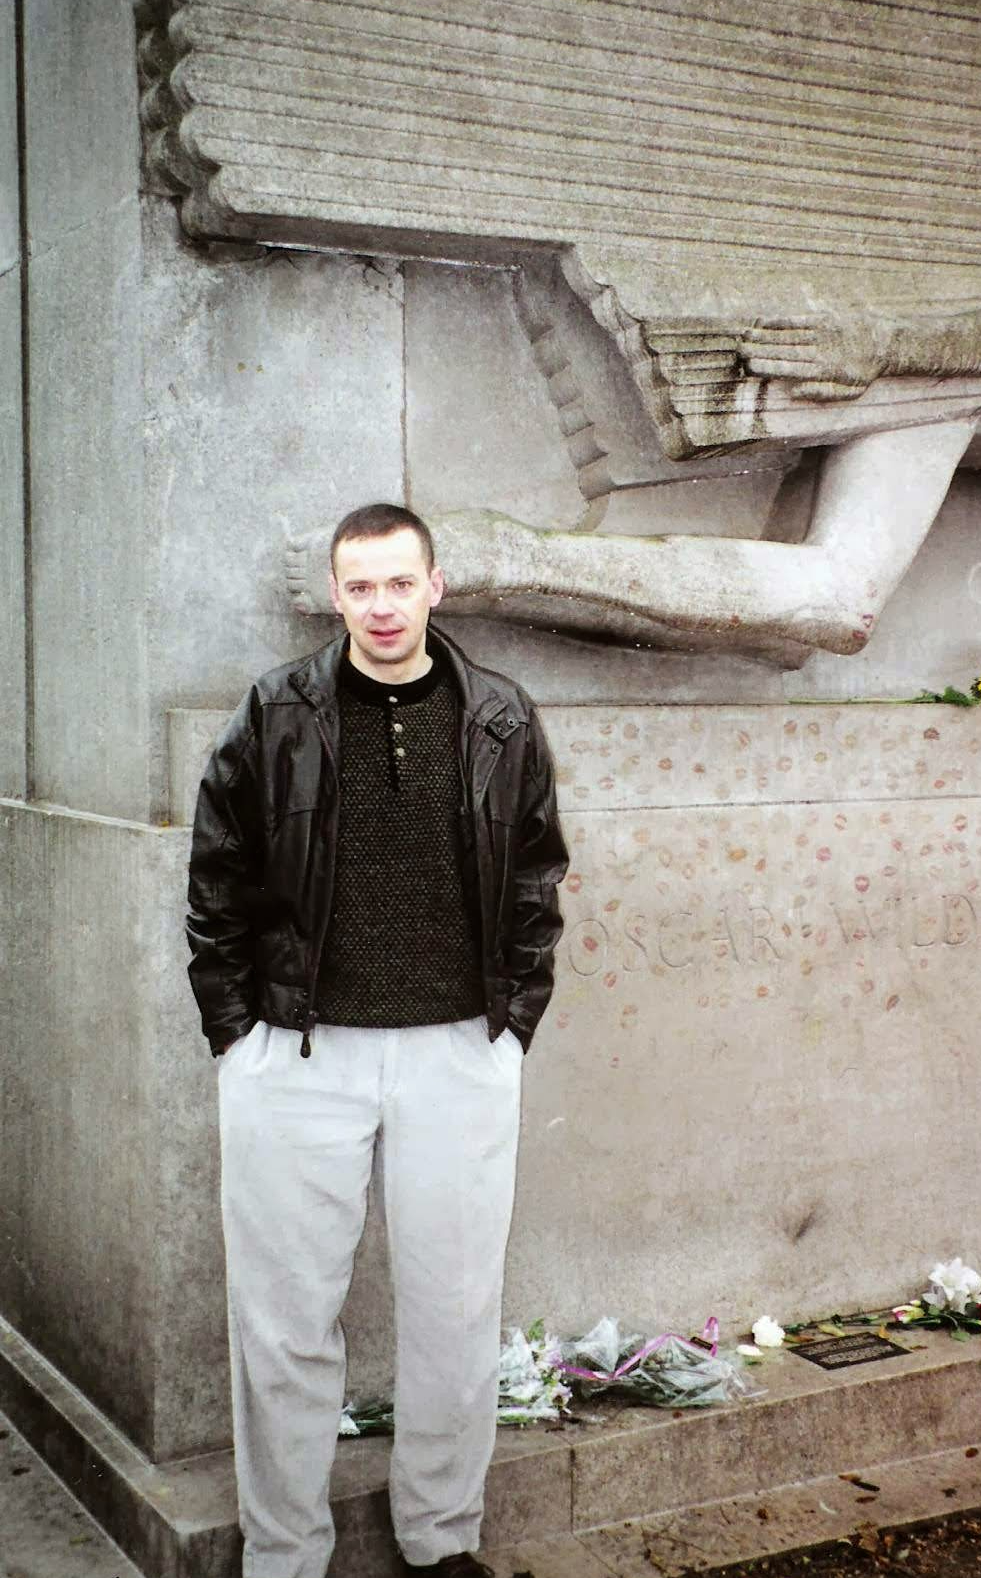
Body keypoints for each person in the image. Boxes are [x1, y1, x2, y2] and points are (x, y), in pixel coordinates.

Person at [186, 501, 569, 1578]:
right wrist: (237, 1034)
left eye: (401, 582)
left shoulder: (497, 713)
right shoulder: (277, 711)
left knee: (454, 1308)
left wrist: (512, 1026)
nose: (383, 605)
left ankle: (442, 1539)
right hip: (298, 1055)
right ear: (335, 594)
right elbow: (216, 876)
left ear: (434, 586)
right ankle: (283, 1550)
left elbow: (538, 872)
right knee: (284, 1319)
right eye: (361, 586)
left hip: (458, 1051)